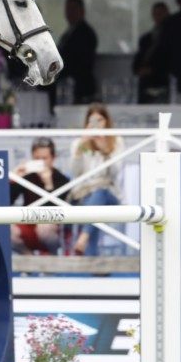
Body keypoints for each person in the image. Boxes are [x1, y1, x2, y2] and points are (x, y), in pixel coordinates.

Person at [68, 103, 123, 255]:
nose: (96, 125)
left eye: (100, 120)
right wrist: (80, 148)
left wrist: (106, 150)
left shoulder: (116, 142)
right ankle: (94, 264)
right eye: (92, 121)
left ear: (107, 122)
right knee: (95, 211)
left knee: (100, 194)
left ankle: (83, 240)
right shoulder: (78, 144)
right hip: (83, 195)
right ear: (87, 123)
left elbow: (115, 173)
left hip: (109, 194)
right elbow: (75, 172)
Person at [10, 137, 71, 254]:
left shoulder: (62, 179)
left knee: (45, 227)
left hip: (51, 227)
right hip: (27, 222)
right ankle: (30, 259)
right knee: (7, 230)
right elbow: (7, 201)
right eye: (37, 158)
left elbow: (55, 209)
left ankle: (50, 259)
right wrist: (14, 178)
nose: (41, 162)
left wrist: (48, 185)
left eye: (44, 158)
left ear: (53, 158)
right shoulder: (27, 176)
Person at [56, 0, 97, 105]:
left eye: (73, 9)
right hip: (66, 85)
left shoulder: (85, 33)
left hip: (79, 88)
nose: (70, 12)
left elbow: (80, 62)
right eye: (68, 9)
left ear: (82, 11)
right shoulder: (68, 33)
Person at [132, 1, 170, 104]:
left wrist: (153, 70)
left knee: (164, 118)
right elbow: (138, 60)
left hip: (163, 84)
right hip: (146, 85)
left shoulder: (172, 38)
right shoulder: (146, 39)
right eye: (156, 14)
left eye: (161, 14)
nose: (158, 17)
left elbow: (170, 61)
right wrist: (139, 69)